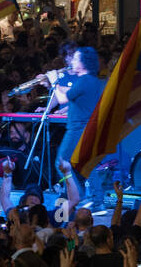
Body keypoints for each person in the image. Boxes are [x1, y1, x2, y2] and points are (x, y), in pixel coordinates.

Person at [45, 46, 105, 209]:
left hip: (78, 129)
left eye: (76, 59)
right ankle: (97, 201)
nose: (72, 61)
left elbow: (63, 98)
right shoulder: (91, 80)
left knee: (61, 163)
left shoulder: (85, 80)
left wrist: (54, 81)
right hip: (87, 128)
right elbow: (70, 92)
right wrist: (51, 83)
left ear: (84, 62)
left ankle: (76, 196)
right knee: (86, 165)